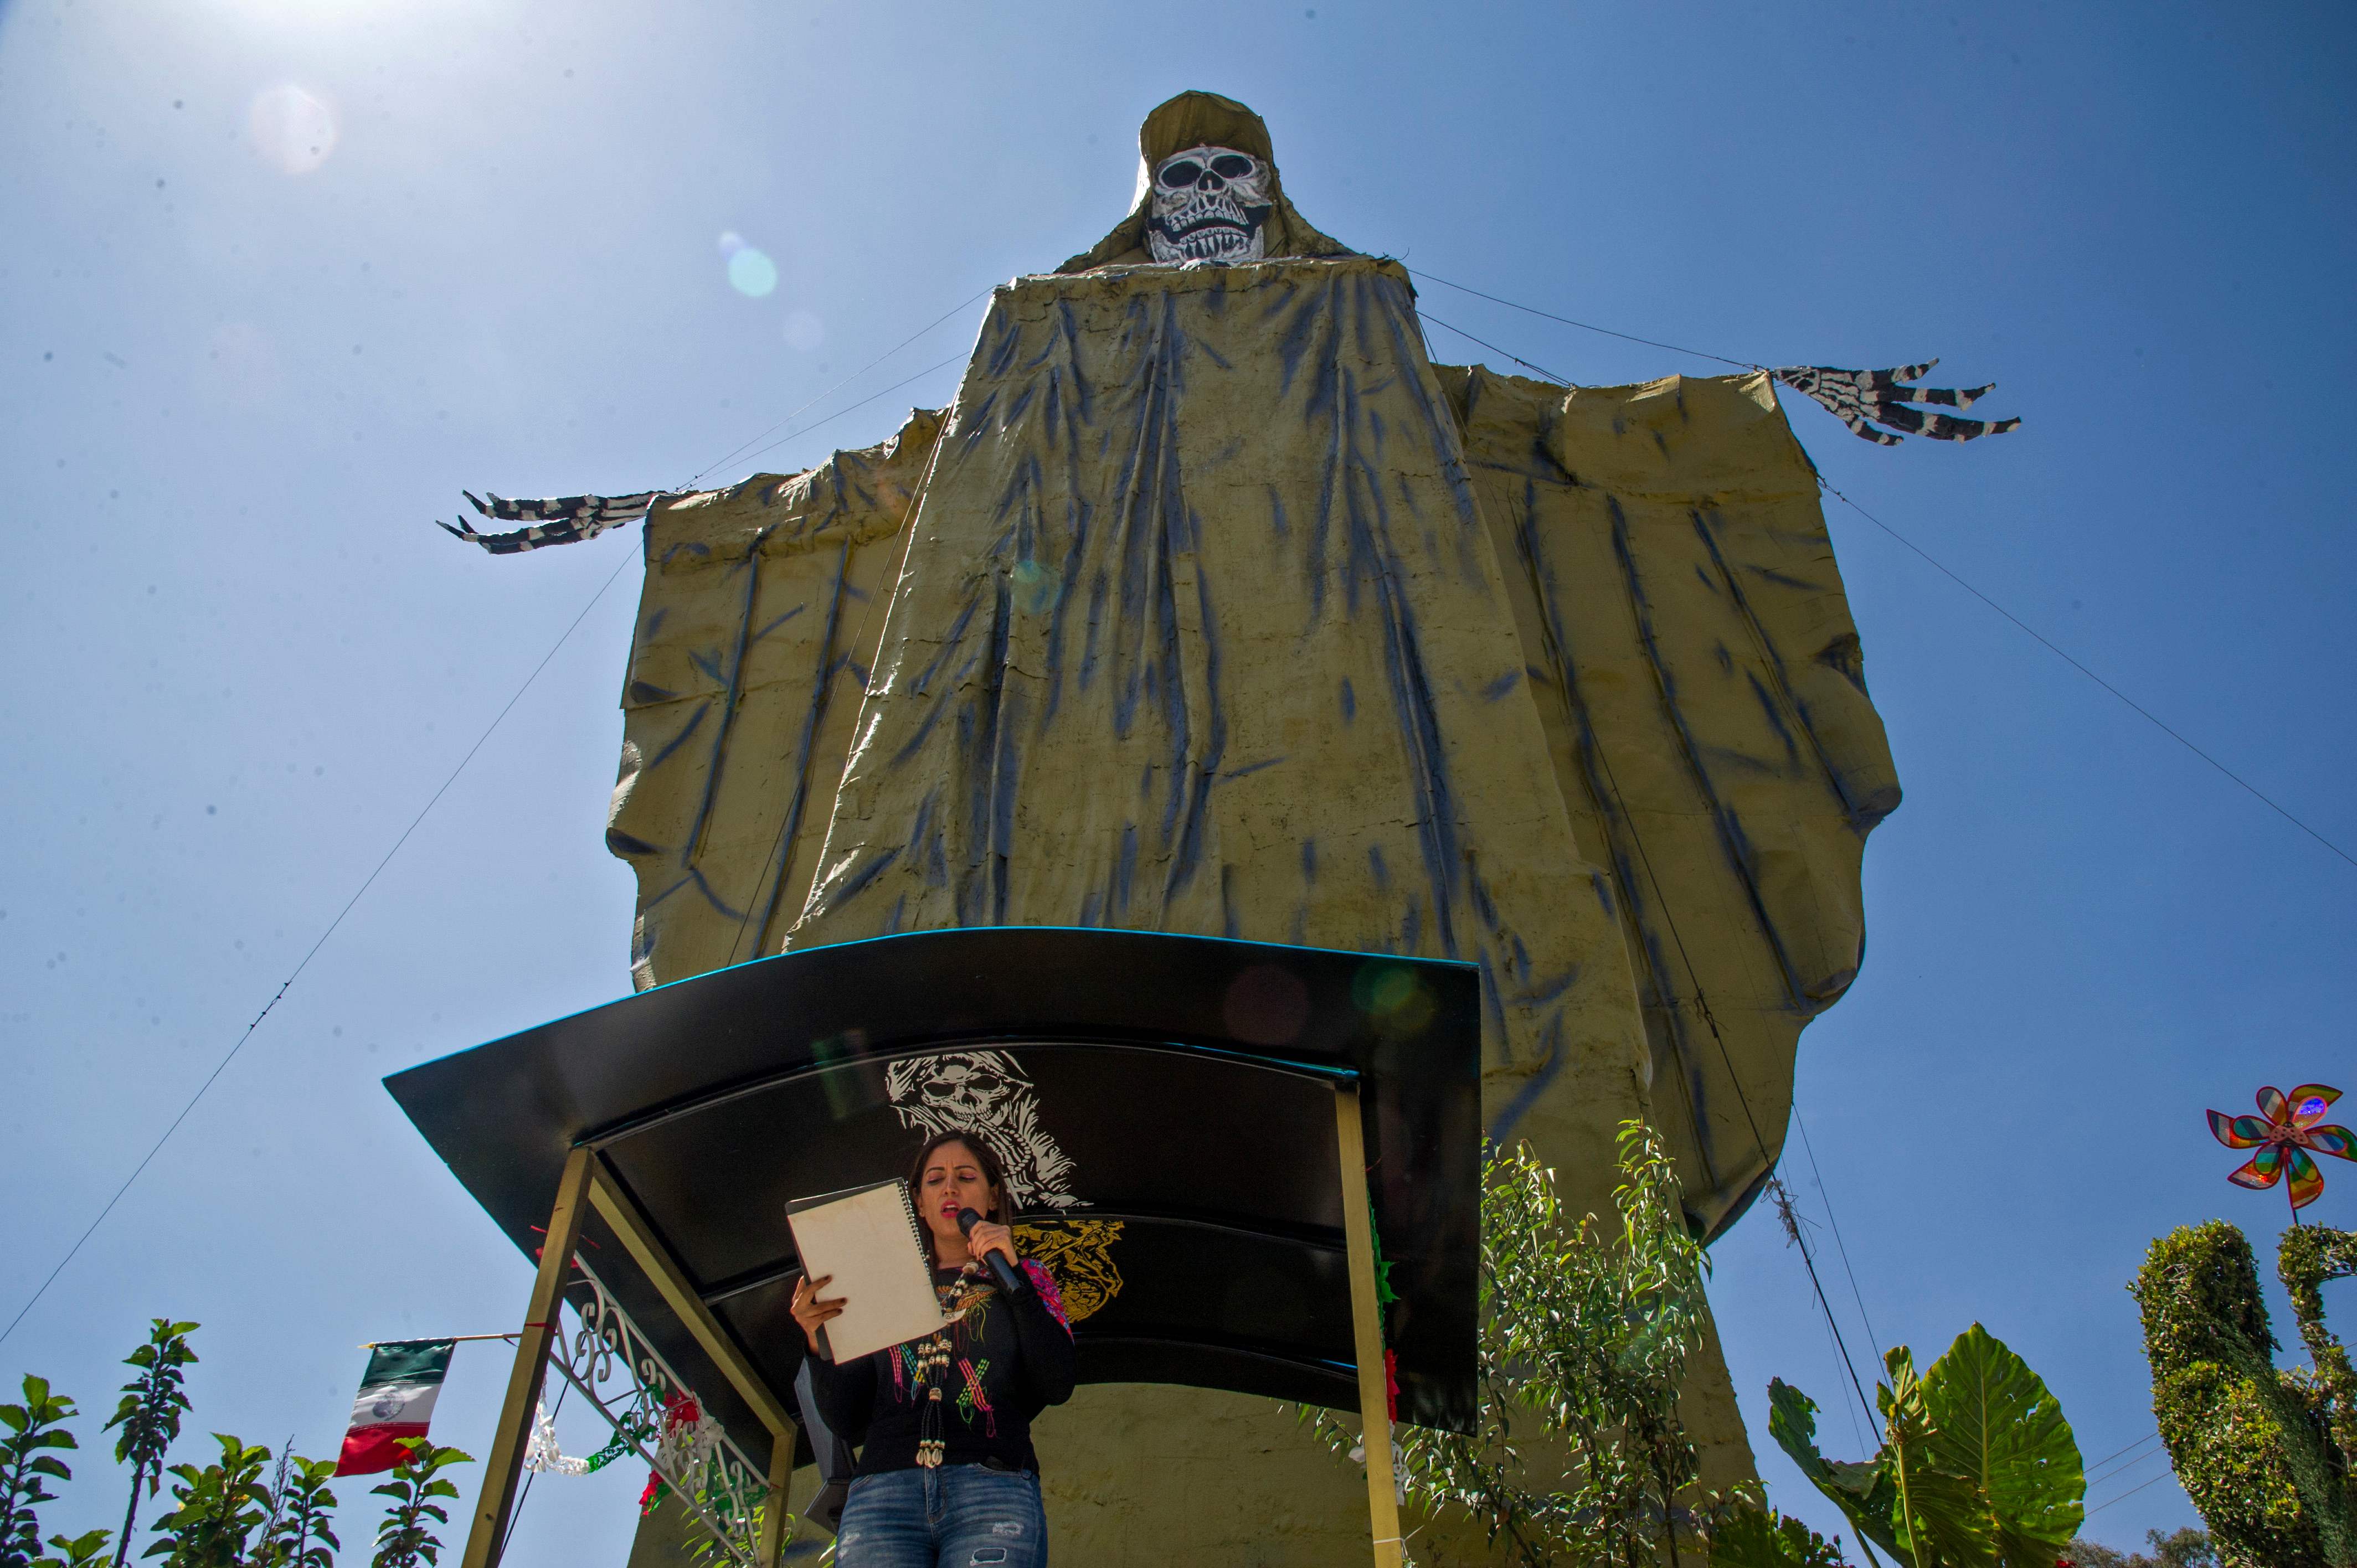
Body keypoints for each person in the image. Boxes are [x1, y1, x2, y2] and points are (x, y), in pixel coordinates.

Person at [792, 1129, 1076, 1567]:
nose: (950, 1188)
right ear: (919, 1205)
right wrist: (818, 1342)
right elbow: (846, 1419)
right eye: (935, 1180)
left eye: (965, 1177)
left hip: (992, 1489)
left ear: (993, 1196)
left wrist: (1014, 1278)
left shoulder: (1029, 1278)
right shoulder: (879, 1283)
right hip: (882, 1501)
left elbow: (1056, 1381)